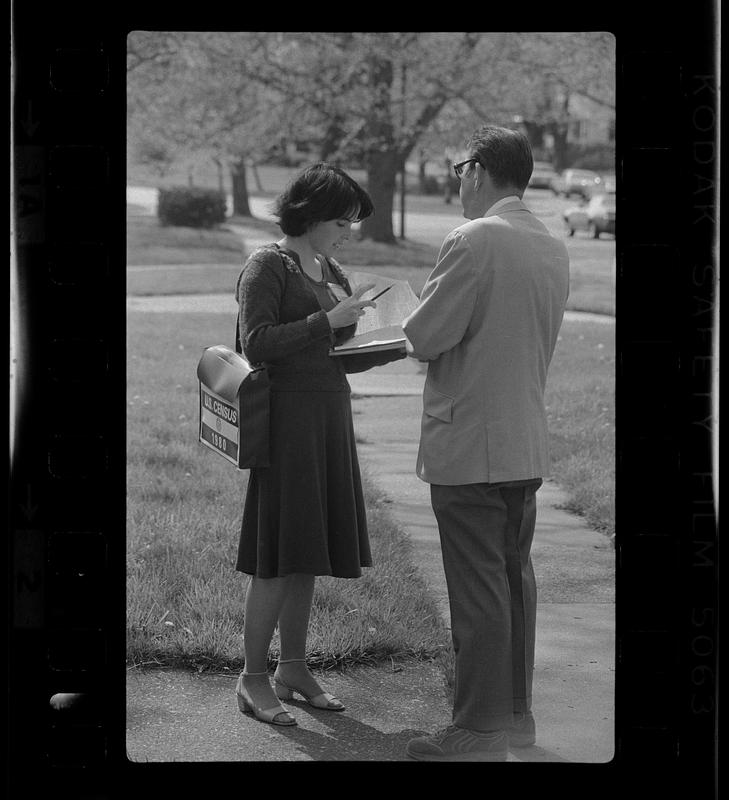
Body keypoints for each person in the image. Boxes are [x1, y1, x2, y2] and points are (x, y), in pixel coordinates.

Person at [402, 126, 570, 761]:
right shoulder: (549, 244)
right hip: (522, 440)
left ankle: (477, 727)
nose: (456, 184)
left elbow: (424, 336)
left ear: (477, 171)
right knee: (511, 581)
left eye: (457, 171)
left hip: (470, 441)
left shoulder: (472, 240)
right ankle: (515, 718)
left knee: (477, 590)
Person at [233, 162, 406, 727]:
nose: (348, 232)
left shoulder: (329, 264)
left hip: (328, 412)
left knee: (306, 549)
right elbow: (255, 345)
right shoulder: (268, 265)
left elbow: (337, 343)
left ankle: (293, 668)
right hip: (286, 421)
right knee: (278, 555)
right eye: (341, 221)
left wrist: (386, 338)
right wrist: (325, 320)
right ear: (308, 215)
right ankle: (252, 678)